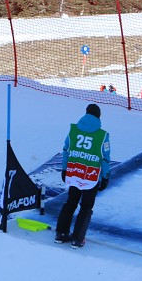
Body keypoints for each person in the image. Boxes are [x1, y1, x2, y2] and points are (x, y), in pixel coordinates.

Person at [55, 103, 111, 248]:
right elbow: (104, 158)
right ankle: (78, 238)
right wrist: (105, 176)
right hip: (90, 176)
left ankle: (61, 233)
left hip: (74, 173)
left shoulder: (73, 130)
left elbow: (66, 150)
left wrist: (64, 169)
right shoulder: (102, 135)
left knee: (71, 202)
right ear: (99, 117)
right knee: (86, 206)